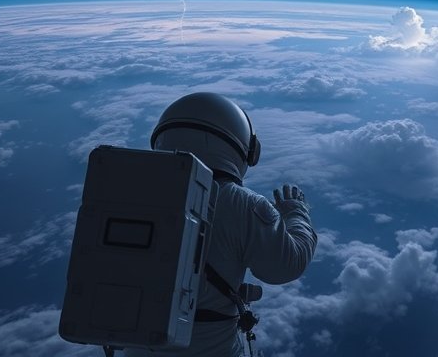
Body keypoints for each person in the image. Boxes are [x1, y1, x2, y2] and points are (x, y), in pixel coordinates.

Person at [125, 92, 317, 357]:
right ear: (240, 148)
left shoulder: (129, 192)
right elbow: (287, 265)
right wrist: (296, 212)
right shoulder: (241, 204)